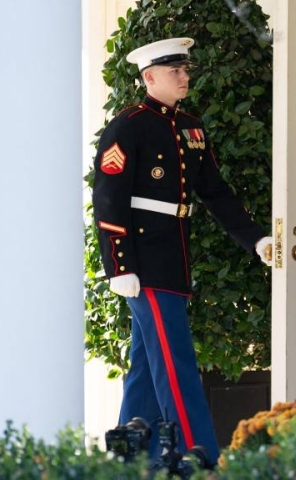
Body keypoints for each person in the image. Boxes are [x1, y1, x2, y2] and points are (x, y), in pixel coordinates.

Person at [92, 36, 272, 466]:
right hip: (142, 263)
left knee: (144, 366)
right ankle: (199, 457)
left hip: (173, 256)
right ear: (149, 77)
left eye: (186, 70)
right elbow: (109, 197)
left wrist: (256, 238)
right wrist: (118, 265)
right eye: (175, 71)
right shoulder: (128, 125)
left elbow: (215, 193)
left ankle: (131, 461)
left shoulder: (191, 126)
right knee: (176, 364)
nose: (184, 76)